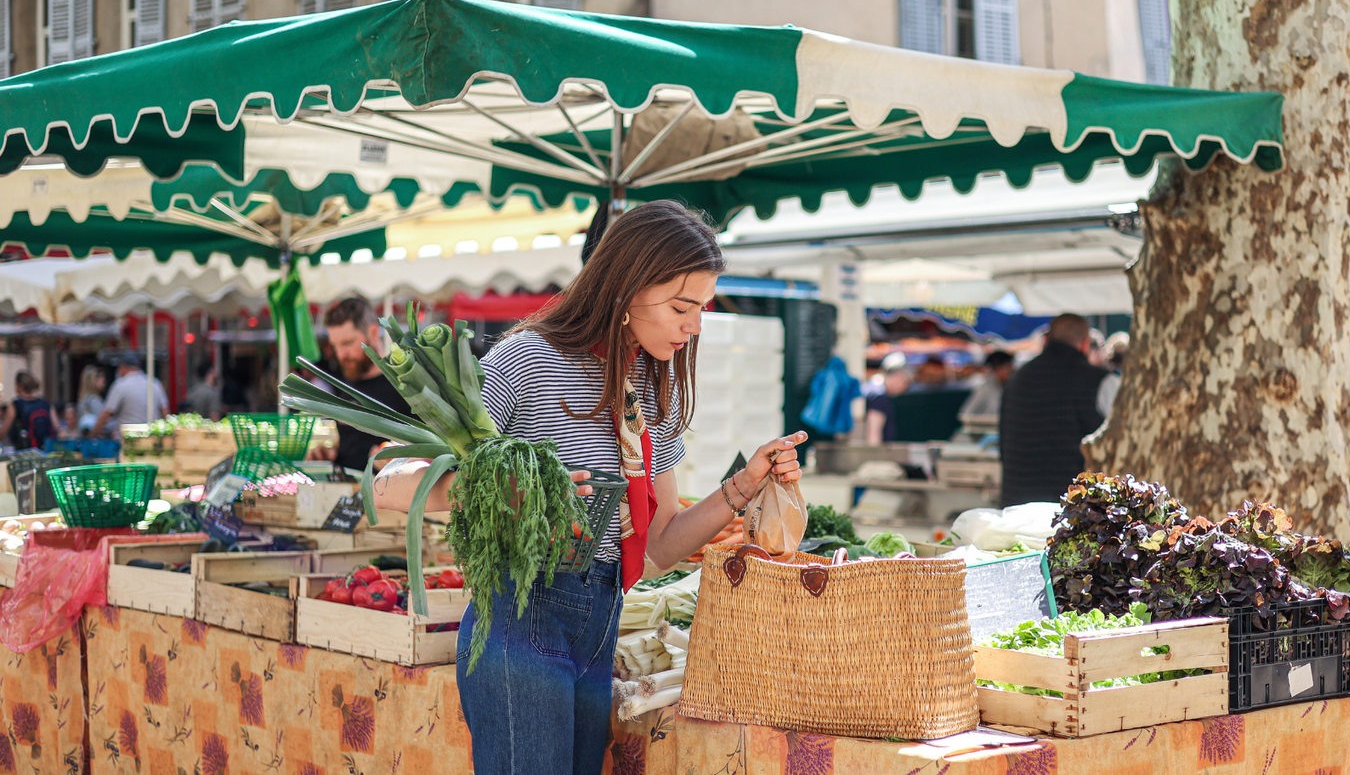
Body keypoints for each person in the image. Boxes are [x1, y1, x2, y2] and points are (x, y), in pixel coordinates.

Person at [371, 200, 806, 775]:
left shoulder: (650, 385)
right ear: (626, 288)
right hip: (521, 617)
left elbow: (658, 547)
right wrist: (511, 492)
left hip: (600, 626)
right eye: (682, 307)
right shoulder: (527, 359)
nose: (695, 325)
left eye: (702, 308)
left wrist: (743, 487)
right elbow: (389, 483)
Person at [998, 314, 1114, 506]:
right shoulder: (1102, 381)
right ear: (1085, 344)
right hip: (1075, 511)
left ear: (1046, 339)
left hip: (1018, 504)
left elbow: (1004, 443)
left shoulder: (1016, 379)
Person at [306, 298, 416, 473]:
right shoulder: (345, 385)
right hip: (345, 486)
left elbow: (427, 451)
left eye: (347, 343)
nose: (341, 354)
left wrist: (393, 456)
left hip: (384, 488)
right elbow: (353, 445)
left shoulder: (404, 386)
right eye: (335, 346)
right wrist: (330, 452)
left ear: (373, 333)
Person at [92, 353, 169, 438]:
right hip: (151, 438)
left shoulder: (120, 385)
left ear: (123, 367)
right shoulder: (155, 384)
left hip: (128, 439)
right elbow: (165, 413)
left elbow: (106, 415)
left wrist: (92, 435)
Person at [863, 352, 910, 445]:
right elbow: (873, 434)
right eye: (905, 381)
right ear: (898, 375)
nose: (905, 388)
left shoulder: (878, 392)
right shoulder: (879, 397)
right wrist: (876, 453)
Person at [0, 372, 54, 450]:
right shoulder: (45, 403)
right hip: (45, 450)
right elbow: (57, 428)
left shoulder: (16, 405)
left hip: (25, 451)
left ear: (19, 386)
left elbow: (3, 431)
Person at [958, 350, 1015, 420]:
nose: (1011, 371)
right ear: (997, 368)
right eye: (1008, 367)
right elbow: (966, 415)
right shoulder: (985, 389)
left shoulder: (1009, 386)